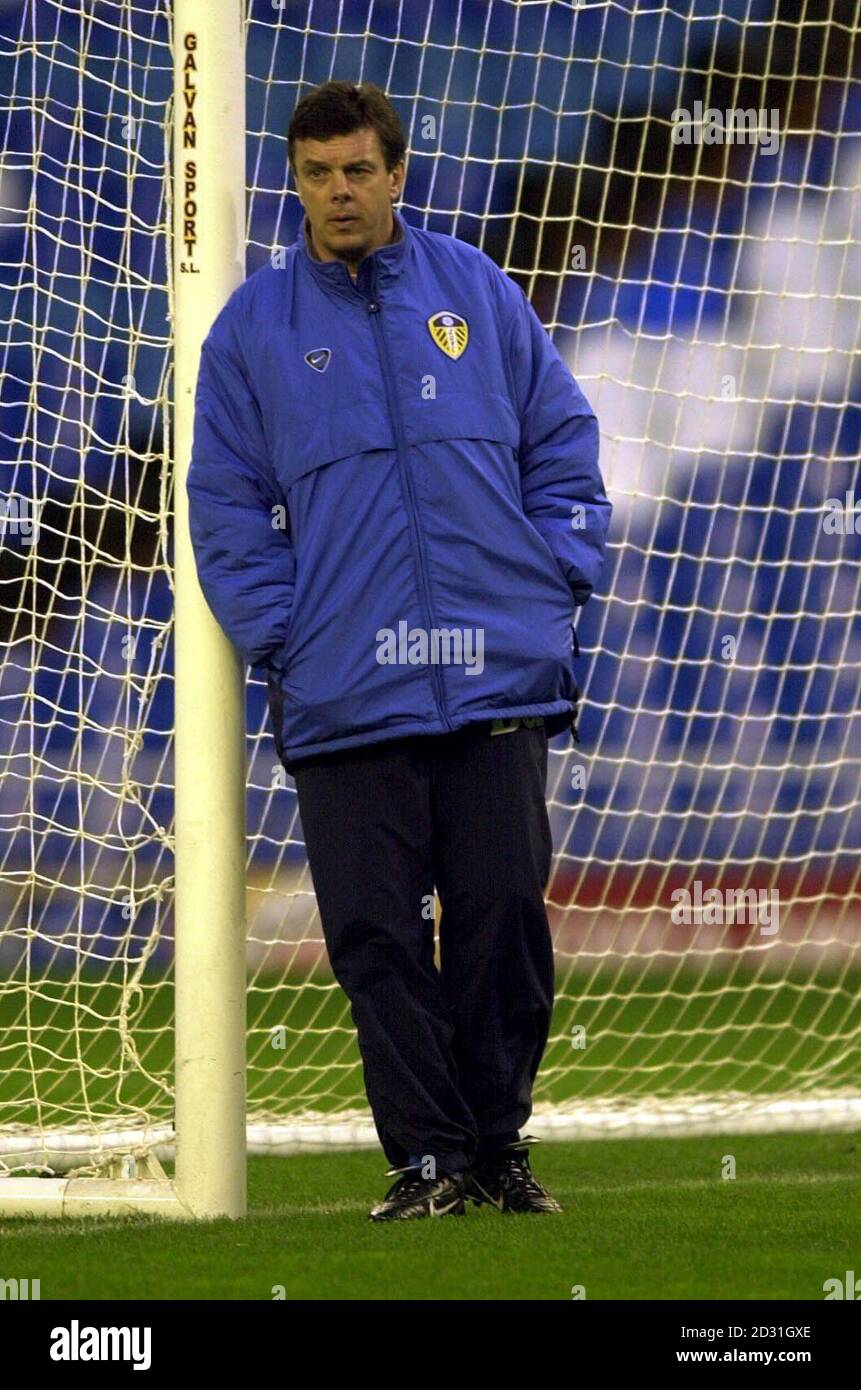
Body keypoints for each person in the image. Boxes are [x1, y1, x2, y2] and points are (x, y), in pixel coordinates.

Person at [187, 80, 611, 1221]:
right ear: (295, 180)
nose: (338, 191)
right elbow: (224, 506)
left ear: (396, 174)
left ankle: (496, 1150)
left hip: (494, 673)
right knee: (376, 939)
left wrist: (557, 571)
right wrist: (292, 638)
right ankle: (425, 1161)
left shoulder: (475, 288)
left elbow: (562, 438)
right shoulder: (250, 333)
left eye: (357, 170)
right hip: (347, 690)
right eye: (317, 172)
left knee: (502, 926)